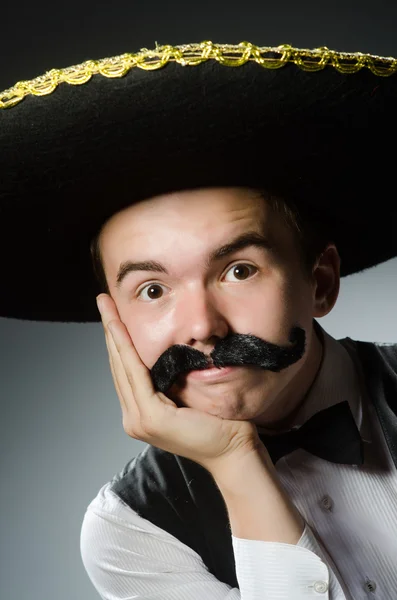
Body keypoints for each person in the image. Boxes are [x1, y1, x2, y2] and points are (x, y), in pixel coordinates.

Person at [1, 41, 397, 599]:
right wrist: (236, 464)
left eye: (238, 271)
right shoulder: (131, 530)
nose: (202, 328)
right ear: (115, 321)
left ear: (321, 282)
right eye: (153, 289)